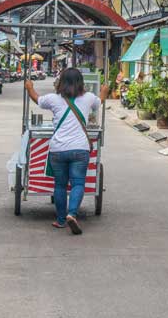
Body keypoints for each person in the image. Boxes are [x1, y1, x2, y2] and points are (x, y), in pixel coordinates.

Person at [24, 69, 110, 235]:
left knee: (60, 185)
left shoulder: (53, 99)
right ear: (80, 82)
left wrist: (29, 87)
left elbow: (37, 99)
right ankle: (72, 214)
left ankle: (61, 220)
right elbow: (100, 101)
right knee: (78, 183)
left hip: (58, 149)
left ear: (61, 82)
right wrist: (104, 91)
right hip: (80, 149)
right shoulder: (88, 98)